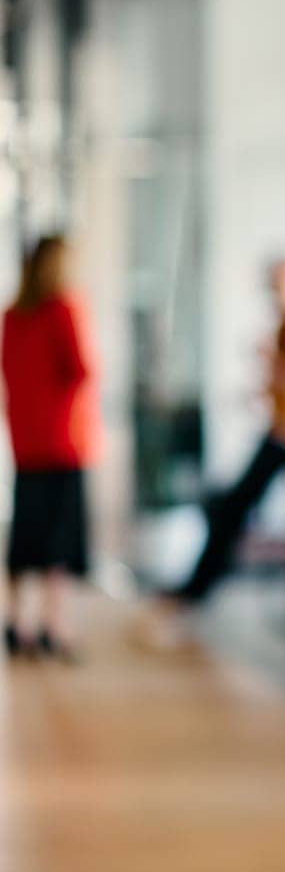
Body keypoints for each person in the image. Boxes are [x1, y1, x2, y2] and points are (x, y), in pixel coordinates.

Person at [145, 257, 285, 639]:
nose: (276, 297)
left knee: (233, 505)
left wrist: (271, 362)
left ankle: (195, 591)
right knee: (231, 503)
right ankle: (195, 588)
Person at [2, 235, 101, 661]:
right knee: (59, 540)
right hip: (64, 442)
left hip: (26, 442)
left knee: (25, 535)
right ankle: (53, 626)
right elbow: (82, 369)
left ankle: (15, 622)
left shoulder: (12, 316)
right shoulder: (64, 308)